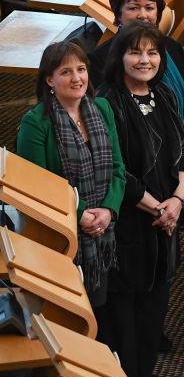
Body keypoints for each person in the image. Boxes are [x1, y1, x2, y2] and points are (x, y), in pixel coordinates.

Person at [97, 23, 184, 377]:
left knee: (156, 299)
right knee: (126, 307)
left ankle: (146, 372)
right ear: (120, 57)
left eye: (152, 52)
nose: (145, 60)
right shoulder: (107, 101)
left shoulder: (164, 94)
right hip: (130, 221)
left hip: (167, 217)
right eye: (136, 52)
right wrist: (158, 209)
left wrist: (179, 199)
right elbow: (115, 168)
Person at [17, 41, 125, 308]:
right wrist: (80, 214)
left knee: (96, 308)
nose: (77, 78)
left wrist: (108, 210)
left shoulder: (101, 108)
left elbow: (118, 169)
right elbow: (36, 188)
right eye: (66, 72)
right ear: (49, 80)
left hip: (101, 230)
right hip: (59, 237)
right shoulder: (36, 122)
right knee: (64, 314)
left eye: (81, 69)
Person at [89, 0, 184, 145]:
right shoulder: (100, 58)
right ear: (118, 14)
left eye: (149, 8)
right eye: (133, 8)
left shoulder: (172, 47)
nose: (143, 15)